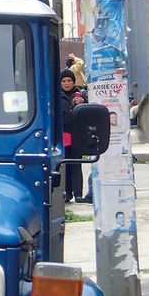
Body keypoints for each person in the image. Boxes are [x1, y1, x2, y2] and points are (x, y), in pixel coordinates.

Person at [60, 69, 87, 202]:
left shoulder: (81, 94)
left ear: (74, 82)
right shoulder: (56, 96)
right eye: (64, 81)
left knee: (76, 164)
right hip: (63, 135)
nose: (66, 83)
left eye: (69, 80)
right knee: (65, 165)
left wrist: (82, 103)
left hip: (77, 135)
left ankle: (78, 194)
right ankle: (67, 193)